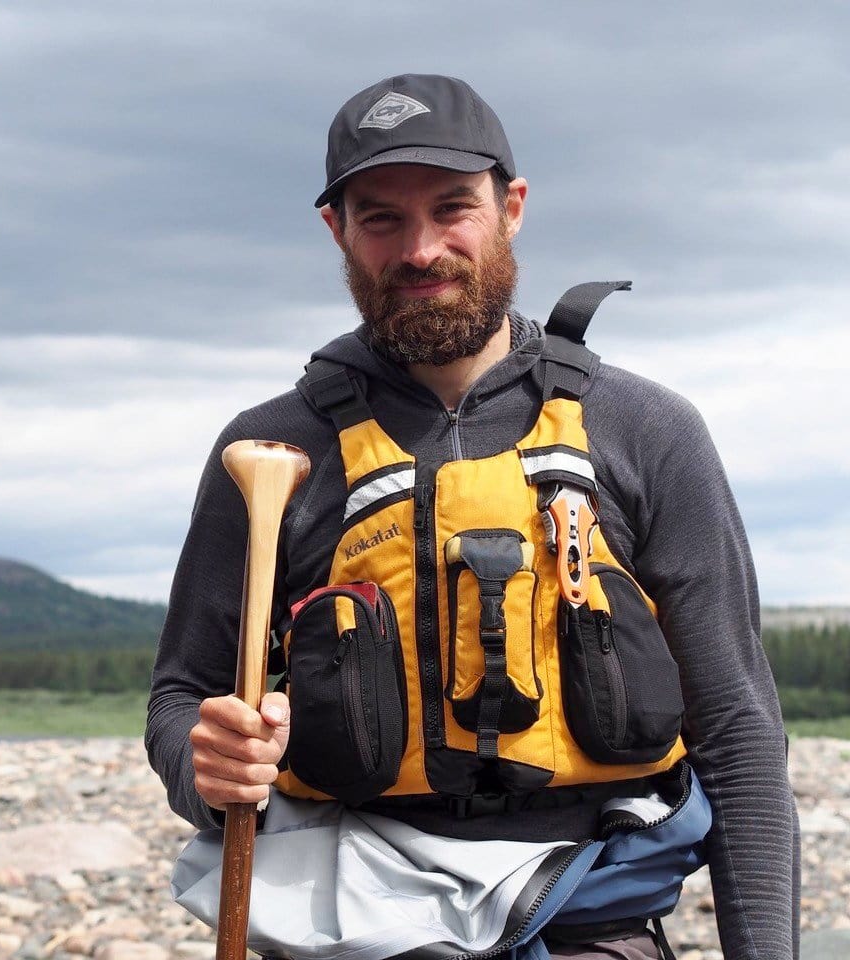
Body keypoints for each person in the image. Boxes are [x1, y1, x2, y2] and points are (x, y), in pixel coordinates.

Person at [146, 74, 798, 960]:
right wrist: (206, 765)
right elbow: (180, 699)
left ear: (512, 206)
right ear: (336, 230)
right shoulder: (268, 452)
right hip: (347, 916)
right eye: (380, 218)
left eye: (453, 208)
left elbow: (735, 728)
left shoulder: (649, 430)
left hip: (589, 910)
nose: (421, 250)